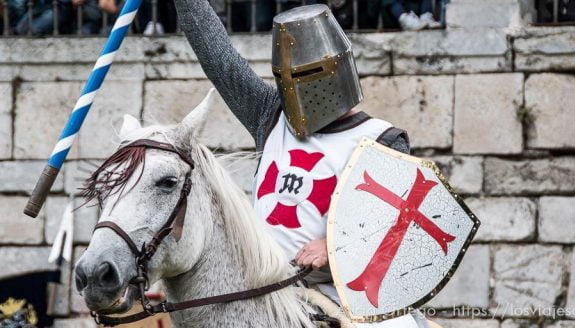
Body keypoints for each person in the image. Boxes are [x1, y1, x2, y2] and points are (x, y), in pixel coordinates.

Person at [172, 1, 426, 327]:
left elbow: (397, 231)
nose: (298, 87)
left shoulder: (381, 140)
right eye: (288, 77)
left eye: (308, 75)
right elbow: (219, 59)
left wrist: (333, 249)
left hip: (342, 294)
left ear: (336, 69)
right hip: (263, 288)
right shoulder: (271, 114)